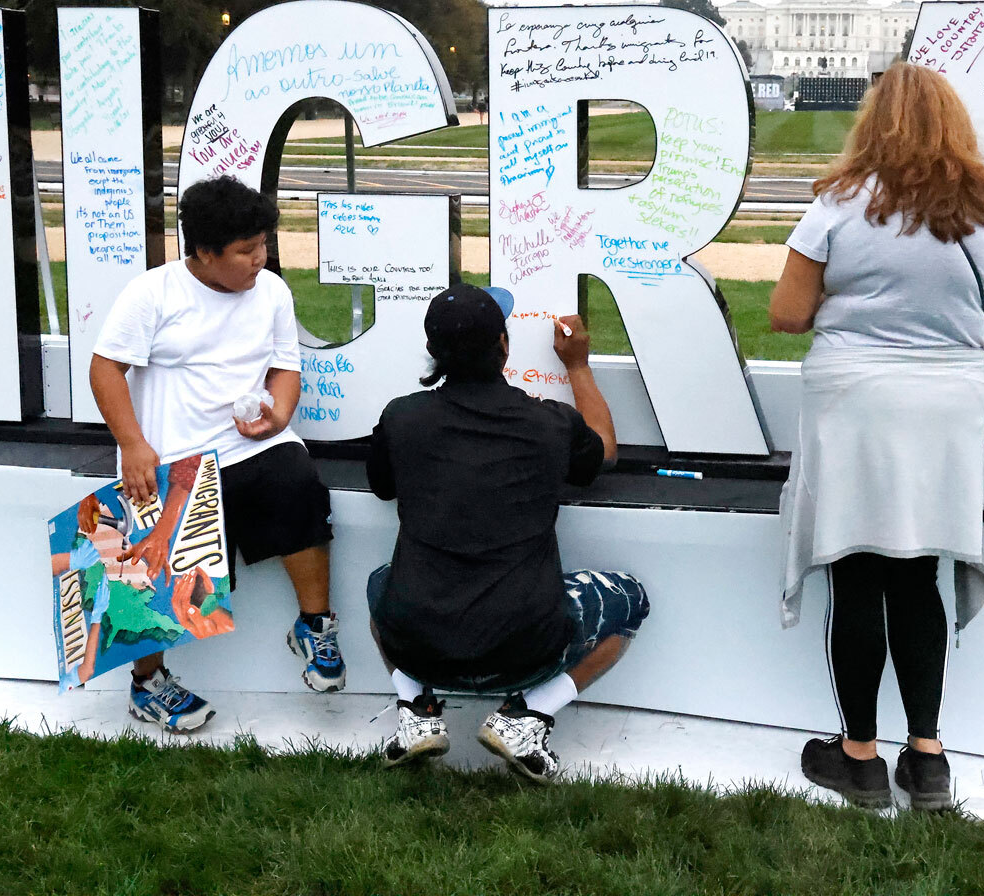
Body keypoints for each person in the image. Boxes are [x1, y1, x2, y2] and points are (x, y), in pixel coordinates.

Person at [768, 62, 984, 811]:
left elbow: (787, 314)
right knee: (918, 574)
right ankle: (927, 758)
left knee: (858, 573)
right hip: (947, 403)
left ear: (872, 122)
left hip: (855, 398)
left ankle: (859, 756)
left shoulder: (837, 205)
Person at [90, 175, 344, 732]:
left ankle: (314, 625)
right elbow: (105, 368)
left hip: (250, 442)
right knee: (151, 551)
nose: (260, 259)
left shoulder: (272, 291)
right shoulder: (153, 293)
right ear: (205, 252)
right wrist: (132, 444)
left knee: (299, 484)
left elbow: (285, 366)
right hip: (172, 454)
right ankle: (147, 683)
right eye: (246, 250)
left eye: (264, 244)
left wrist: (278, 416)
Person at [365, 284, 649, 782]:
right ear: (504, 345)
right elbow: (604, 450)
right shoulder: (549, 422)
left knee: (380, 583)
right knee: (632, 598)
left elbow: (381, 486)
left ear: (432, 350)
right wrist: (578, 366)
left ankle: (416, 710)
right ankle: (530, 714)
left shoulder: (401, 416)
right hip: (527, 648)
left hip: (419, 644)